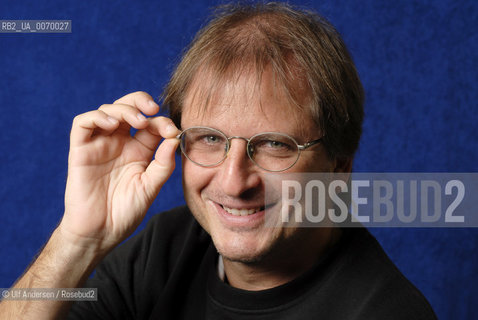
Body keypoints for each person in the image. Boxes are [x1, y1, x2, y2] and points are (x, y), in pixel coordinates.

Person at [0, 2, 437, 319]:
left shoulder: (383, 310)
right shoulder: (163, 250)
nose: (233, 182)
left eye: (274, 145)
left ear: (339, 164)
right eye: (210, 138)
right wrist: (79, 241)